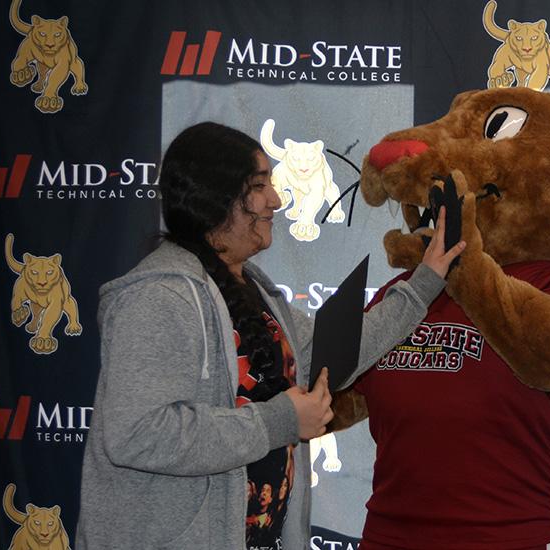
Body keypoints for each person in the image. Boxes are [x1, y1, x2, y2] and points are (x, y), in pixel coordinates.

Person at [75, 121, 464, 549]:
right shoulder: (160, 296)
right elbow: (136, 434)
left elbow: (328, 354)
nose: (277, 200)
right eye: (260, 185)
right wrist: (279, 421)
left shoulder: (253, 288)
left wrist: (425, 280)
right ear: (217, 196)